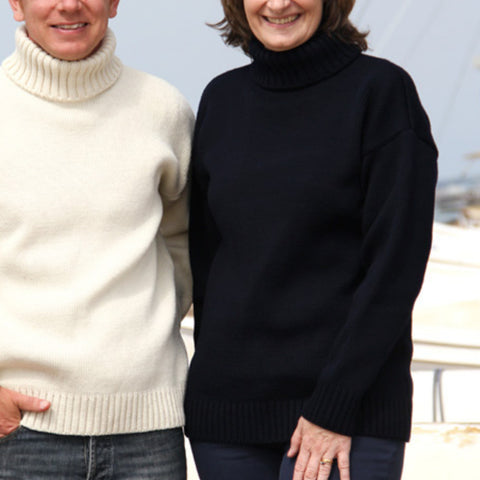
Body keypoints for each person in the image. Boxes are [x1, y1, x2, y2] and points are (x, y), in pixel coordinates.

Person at [185, 0, 438, 479]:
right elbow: (207, 261)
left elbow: (395, 268)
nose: (279, 4)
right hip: (227, 418)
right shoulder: (221, 98)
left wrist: (335, 406)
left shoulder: (381, 92)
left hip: (348, 416)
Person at [0, 1, 194, 478]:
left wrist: (141, 345)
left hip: (150, 431)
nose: (69, 4)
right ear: (16, 5)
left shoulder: (163, 109)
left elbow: (186, 245)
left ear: (114, 2)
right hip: (18, 431)